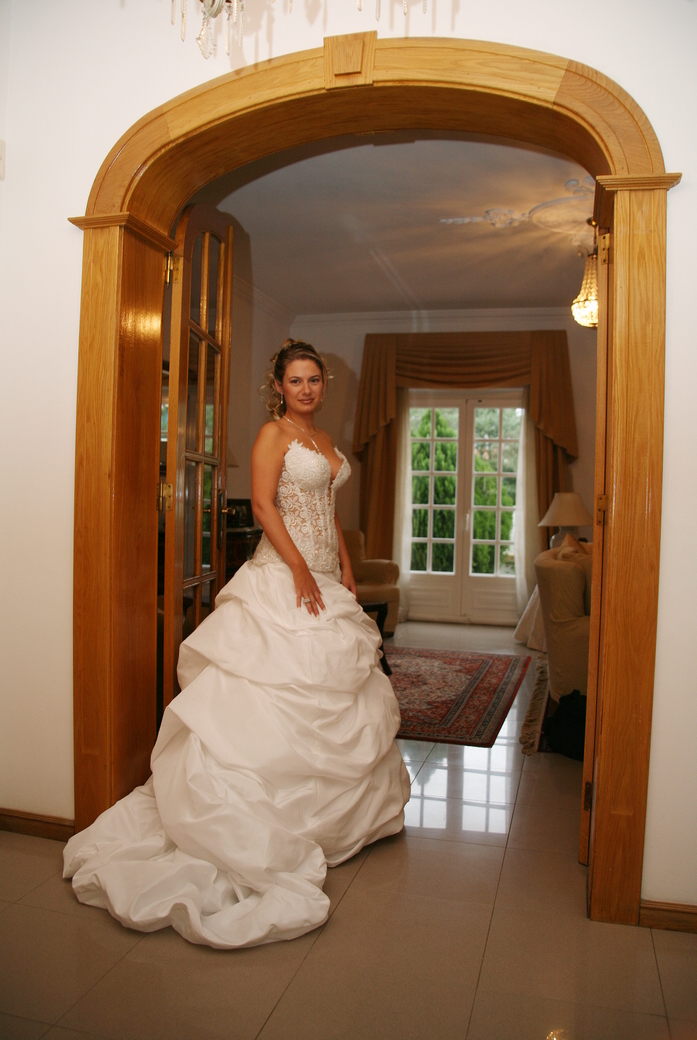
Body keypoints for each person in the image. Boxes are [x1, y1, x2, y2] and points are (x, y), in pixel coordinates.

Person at [63, 339, 410, 949]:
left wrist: (345, 568)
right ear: (278, 386)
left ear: (322, 384)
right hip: (282, 576)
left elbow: (328, 508)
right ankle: (256, 819)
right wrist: (300, 570)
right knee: (274, 691)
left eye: (313, 380)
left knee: (335, 689)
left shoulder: (324, 440)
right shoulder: (273, 436)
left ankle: (328, 817)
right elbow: (265, 507)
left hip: (327, 574)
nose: (306, 389)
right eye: (295, 380)